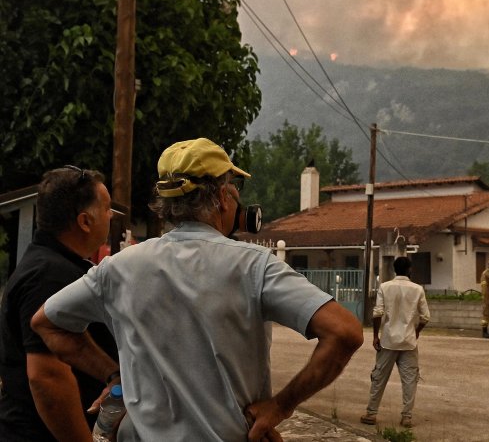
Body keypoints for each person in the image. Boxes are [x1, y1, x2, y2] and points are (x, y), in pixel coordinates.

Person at [30, 138, 364, 441]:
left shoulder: (118, 268)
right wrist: (281, 406)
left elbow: (46, 321)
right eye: (234, 188)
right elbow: (345, 332)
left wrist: (113, 375)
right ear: (222, 197)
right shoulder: (254, 265)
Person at [0, 166, 118, 441]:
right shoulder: (49, 276)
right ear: (85, 221)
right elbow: (46, 377)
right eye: (107, 208)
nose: (111, 215)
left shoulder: (53, 265)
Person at [361, 256, 430, 429]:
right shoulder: (418, 289)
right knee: (409, 379)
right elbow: (425, 317)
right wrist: (416, 332)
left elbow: (377, 313)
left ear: (394, 269)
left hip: (388, 340)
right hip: (408, 342)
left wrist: (376, 336)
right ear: (409, 270)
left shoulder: (385, 287)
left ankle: (371, 413)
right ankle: (406, 416)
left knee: (379, 377)